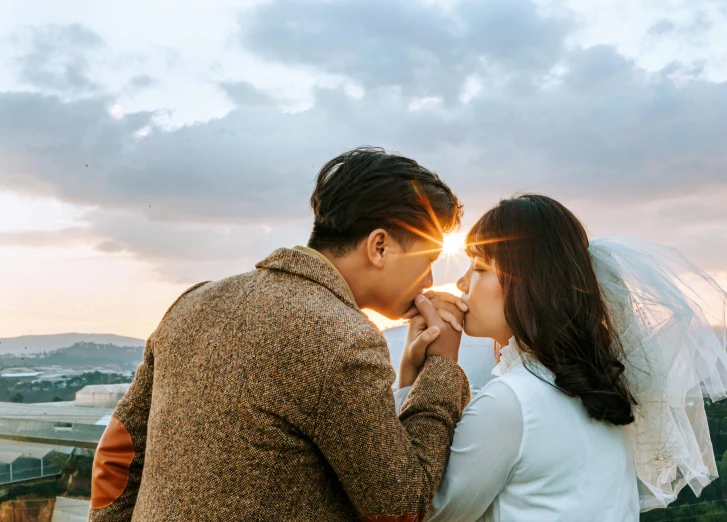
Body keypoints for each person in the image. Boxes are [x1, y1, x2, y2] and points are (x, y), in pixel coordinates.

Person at [88, 147, 472, 522]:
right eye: (427, 261)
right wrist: (441, 368)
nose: (431, 281)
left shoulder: (194, 301)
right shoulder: (344, 339)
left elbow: (119, 453)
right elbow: (401, 503)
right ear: (380, 246)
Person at [398, 194, 727, 521]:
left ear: (528, 284)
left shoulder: (511, 403)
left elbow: (416, 510)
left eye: (479, 268)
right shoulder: (599, 389)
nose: (460, 283)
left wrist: (421, 376)